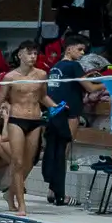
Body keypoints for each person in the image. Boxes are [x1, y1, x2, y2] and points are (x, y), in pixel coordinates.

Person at [0, 42, 48, 215]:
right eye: (29, 53)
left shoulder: (42, 74)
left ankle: (10, 193)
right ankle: (21, 204)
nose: (33, 57)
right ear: (20, 55)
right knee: (18, 162)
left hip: (35, 120)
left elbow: (43, 97)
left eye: (35, 54)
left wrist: (56, 107)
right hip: (16, 119)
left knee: (29, 163)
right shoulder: (10, 77)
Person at [41, 37, 90, 207]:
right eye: (80, 49)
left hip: (55, 115)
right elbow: (90, 87)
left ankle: (52, 190)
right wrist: (109, 83)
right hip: (69, 115)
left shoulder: (55, 67)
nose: (82, 53)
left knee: (56, 153)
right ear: (69, 49)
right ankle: (59, 193)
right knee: (63, 154)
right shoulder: (74, 66)